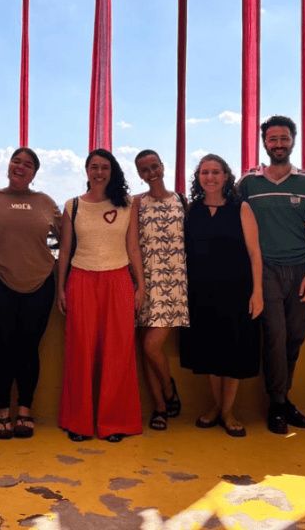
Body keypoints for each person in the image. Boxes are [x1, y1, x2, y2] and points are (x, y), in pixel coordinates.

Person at [238, 116, 305, 435]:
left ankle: (283, 398)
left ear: (293, 141)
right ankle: (277, 403)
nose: (278, 144)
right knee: (275, 337)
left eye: (284, 138)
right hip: (266, 271)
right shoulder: (249, 183)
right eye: (272, 139)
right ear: (264, 143)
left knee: (294, 338)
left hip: (301, 270)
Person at [56, 149, 145, 443]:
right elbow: (64, 251)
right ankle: (78, 422)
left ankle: (115, 421)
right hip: (81, 279)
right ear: (86, 170)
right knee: (80, 351)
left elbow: (133, 248)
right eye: (94, 167)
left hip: (118, 280)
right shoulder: (73, 206)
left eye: (104, 167)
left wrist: (141, 286)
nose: (99, 172)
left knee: (118, 352)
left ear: (112, 171)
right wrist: (60, 288)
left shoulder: (128, 204)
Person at [0, 147, 61, 439]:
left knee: (28, 349)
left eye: (28, 164)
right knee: (1, 348)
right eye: (16, 161)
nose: (20, 166)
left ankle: (25, 410)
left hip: (40, 283)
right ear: (9, 165)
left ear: (34, 173)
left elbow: (69, 239)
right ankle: (2, 413)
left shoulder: (46, 202)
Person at [181, 154, 263, 438]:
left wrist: (257, 292)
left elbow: (255, 253)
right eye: (205, 172)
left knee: (233, 353)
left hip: (236, 292)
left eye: (216, 172)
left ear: (226, 176)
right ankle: (217, 407)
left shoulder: (241, 208)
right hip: (201, 293)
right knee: (210, 354)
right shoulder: (191, 210)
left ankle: (228, 411)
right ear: (198, 177)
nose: (210, 177)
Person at [132, 149, 188, 432]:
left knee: (151, 346)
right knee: (145, 349)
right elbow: (132, 245)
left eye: (154, 166)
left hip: (174, 284)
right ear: (139, 174)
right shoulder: (136, 203)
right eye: (145, 169)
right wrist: (139, 286)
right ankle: (160, 407)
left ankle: (168, 387)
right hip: (145, 283)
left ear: (163, 166)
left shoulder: (181, 200)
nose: (151, 172)